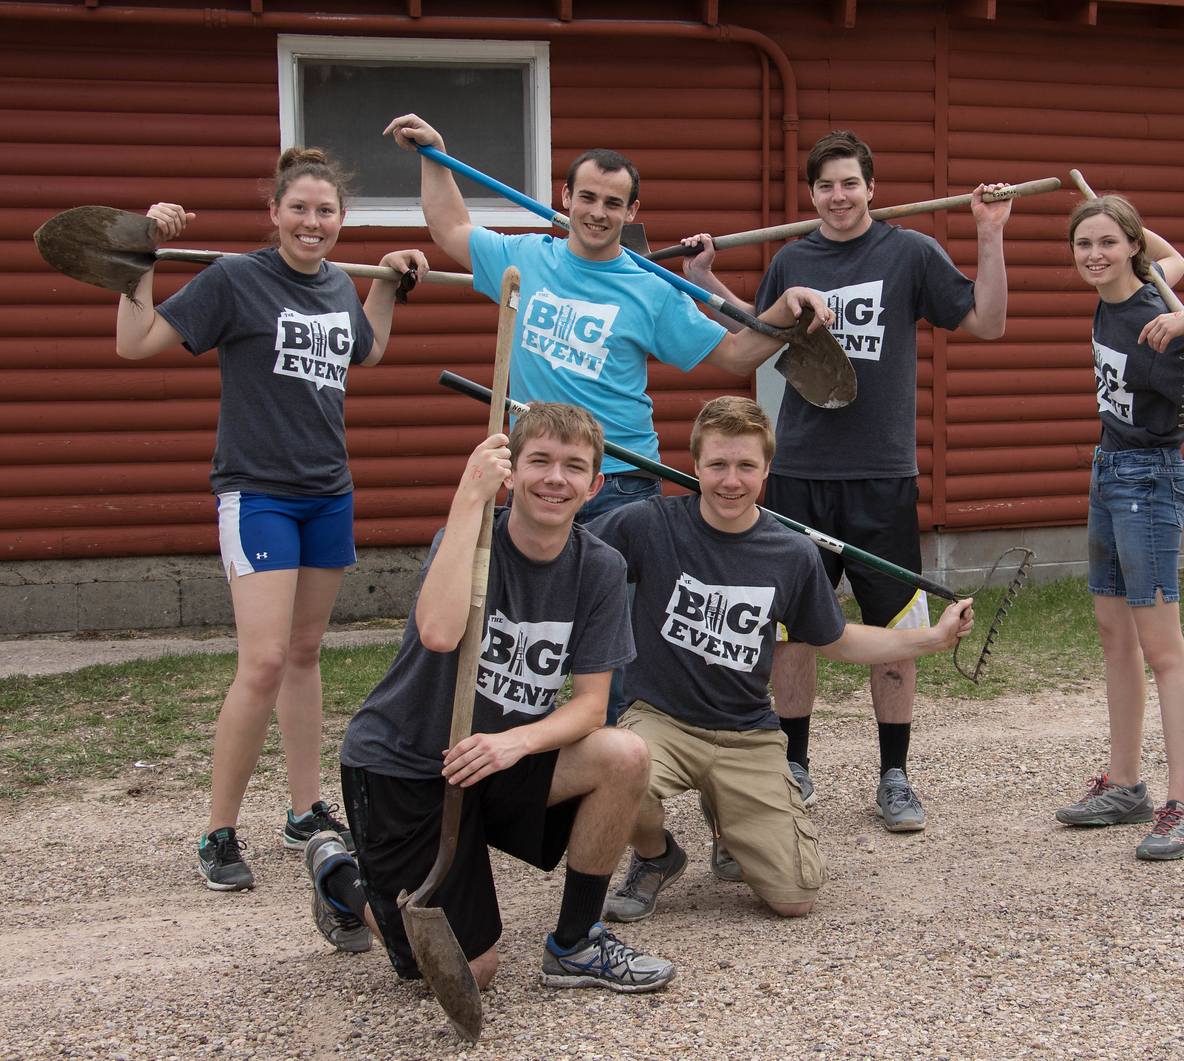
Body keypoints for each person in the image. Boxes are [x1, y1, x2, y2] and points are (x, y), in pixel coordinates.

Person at [383, 113, 832, 724]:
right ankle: (511, 748)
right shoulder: (525, 259)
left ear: (631, 210)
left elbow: (733, 354)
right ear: (564, 198)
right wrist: (435, 154)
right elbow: (451, 227)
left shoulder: (649, 287)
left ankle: (616, 776)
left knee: (616, 643)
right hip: (540, 474)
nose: (598, 211)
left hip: (619, 481)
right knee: (518, 621)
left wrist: (780, 311)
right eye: (587, 196)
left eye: (613, 203)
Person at [114, 148, 429, 891]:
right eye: (299, 209)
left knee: (304, 652)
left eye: (325, 212)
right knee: (260, 661)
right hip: (258, 493)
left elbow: (366, 350)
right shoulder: (236, 280)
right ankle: (219, 831)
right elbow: (135, 343)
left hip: (328, 492)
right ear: (275, 215)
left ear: (339, 221)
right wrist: (140, 255)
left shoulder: (338, 289)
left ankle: (303, 810)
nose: (312, 223)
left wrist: (386, 281)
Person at [679, 130, 1011, 832]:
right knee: (793, 629)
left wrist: (989, 235)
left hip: (881, 476)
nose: (838, 197)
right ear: (813, 194)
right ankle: (794, 766)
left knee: (893, 623)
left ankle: (894, 775)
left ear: (871, 188)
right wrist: (708, 277)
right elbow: (753, 334)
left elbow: (986, 321)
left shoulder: (910, 253)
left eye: (849, 184)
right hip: (800, 471)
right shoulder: (792, 259)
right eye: (825, 185)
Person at [311, 402, 675, 993]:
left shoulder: (600, 567)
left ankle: (577, 943)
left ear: (595, 485)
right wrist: (468, 500)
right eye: (539, 461)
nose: (556, 478)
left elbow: (590, 706)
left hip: (493, 759)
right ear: (510, 474)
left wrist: (515, 743)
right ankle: (341, 877)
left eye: (574, 466)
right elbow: (438, 633)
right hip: (405, 766)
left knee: (624, 754)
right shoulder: (470, 544)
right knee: (469, 974)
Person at [584, 397, 974, 920]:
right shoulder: (648, 526)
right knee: (616, 776)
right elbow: (571, 560)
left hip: (747, 733)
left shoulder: (791, 552)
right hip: (661, 720)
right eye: (717, 464)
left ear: (767, 469)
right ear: (694, 464)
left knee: (795, 898)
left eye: (746, 466)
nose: (730, 480)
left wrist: (932, 639)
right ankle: (657, 856)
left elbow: (834, 641)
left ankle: (730, 817)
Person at [1052, 195, 1184, 861]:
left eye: (1109, 243)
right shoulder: (1126, 286)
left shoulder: (1155, 319)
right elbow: (1170, 254)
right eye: (1084, 243)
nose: (1095, 255)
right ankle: (1127, 785)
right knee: (1115, 635)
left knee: (1162, 648)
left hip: (1150, 482)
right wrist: (1118, 220)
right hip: (1108, 471)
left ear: (1130, 246)